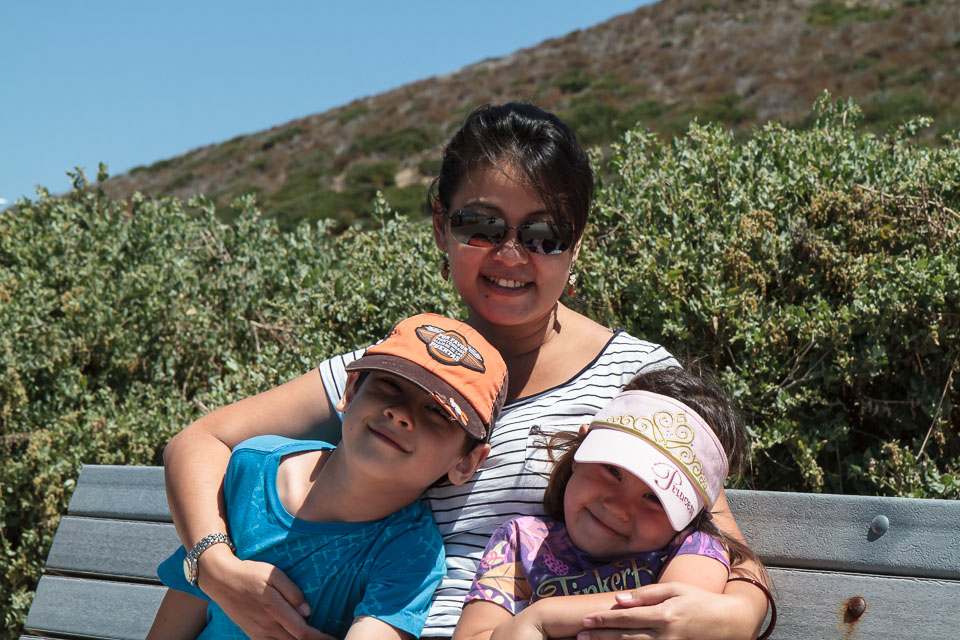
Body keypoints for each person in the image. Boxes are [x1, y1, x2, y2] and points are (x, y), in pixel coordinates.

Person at [162, 102, 770, 640]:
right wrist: (213, 566)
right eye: (481, 226)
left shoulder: (635, 379)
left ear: (576, 247)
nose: (510, 254)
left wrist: (741, 615)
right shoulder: (399, 366)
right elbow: (201, 440)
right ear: (441, 228)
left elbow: (722, 542)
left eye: (544, 235)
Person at [148, 314, 508, 639]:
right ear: (350, 390)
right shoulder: (252, 468)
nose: (400, 414)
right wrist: (214, 567)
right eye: (392, 385)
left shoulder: (411, 553)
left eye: (438, 411)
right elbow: (191, 594)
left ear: (467, 463)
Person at [454, 367, 772, 640]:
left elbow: (670, 615)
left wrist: (542, 617)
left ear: (691, 516)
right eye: (612, 470)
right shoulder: (522, 540)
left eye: (654, 497)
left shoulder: (694, 550)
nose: (619, 508)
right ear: (580, 453)